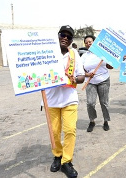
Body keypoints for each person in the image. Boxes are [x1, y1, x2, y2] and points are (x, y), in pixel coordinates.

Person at [46, 25, 85, 178]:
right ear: (58, 35)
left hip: (69, 99)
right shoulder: (48, 53)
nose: (65, 38)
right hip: (51, 100)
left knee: (69, 131)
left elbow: (81, 76)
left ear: (71, 40)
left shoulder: (74, 54)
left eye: (69, 37)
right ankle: (57, 156)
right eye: (63, 34)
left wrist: (77, 79)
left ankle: (66, 161)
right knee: (54, 132)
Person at [81, 35, 113, 132]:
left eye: (90, 42)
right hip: (90, 82)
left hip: (103, 80)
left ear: (94, 42)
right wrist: (87, 74)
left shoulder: (102, 53)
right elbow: (81, 70)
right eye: (86, 42)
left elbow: (110, 66)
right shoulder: (84, 56)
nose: (88, 44)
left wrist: (111, 62)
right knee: (90, 103)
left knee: (104, 102)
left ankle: (106, 121)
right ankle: (92, 121)